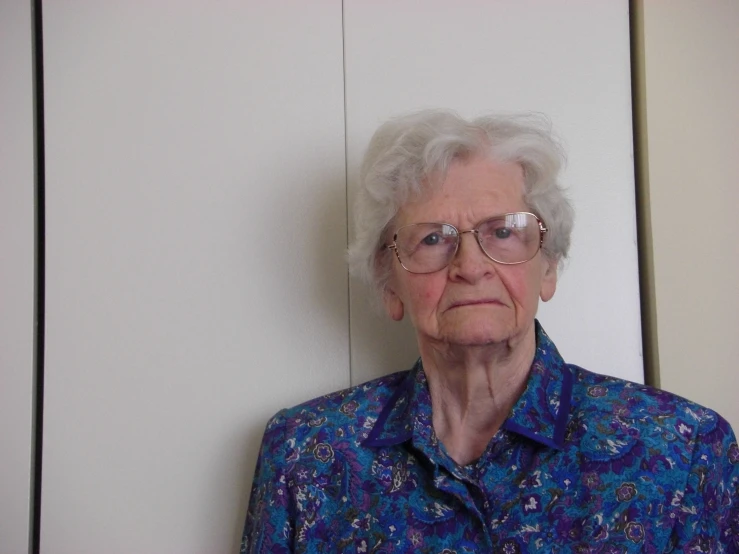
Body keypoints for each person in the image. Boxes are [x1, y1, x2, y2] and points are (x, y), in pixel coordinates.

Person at [240, 110, 739, 552]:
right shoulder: (305, 455)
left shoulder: (682, 450)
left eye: (502, 231)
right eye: (433, 238)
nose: (470, 266)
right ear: (388, 283)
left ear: (548, 268)